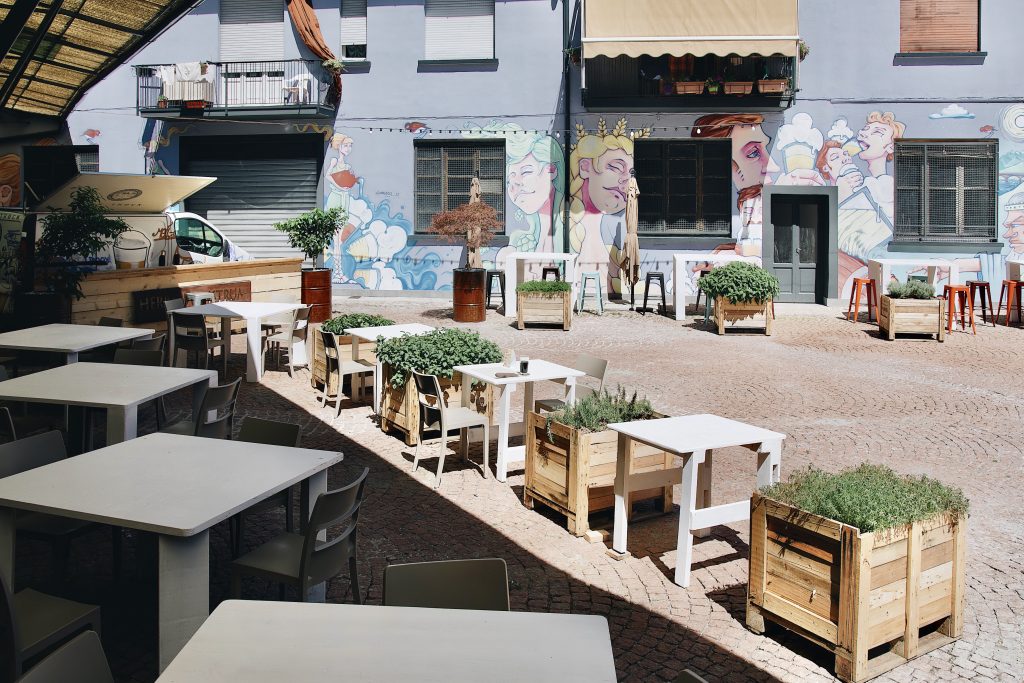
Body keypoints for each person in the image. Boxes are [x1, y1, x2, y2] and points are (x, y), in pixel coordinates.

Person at [692, 113, 780, 257]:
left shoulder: (761, 201)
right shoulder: (749, 199)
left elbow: (773, 251)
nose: (772, 166)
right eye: (753, 153)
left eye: (765, 148)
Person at [569, 119, 637, 293]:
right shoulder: (577, 223)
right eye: (615, 167)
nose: (625, 179)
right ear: (585, 167)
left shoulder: (612, 224)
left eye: (630, 173)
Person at [505, 132, 565, 254]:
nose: (514, 184)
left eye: (526, 172)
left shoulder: (575, 226)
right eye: (509, 179)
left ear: (551, 170)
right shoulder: (519, 238)